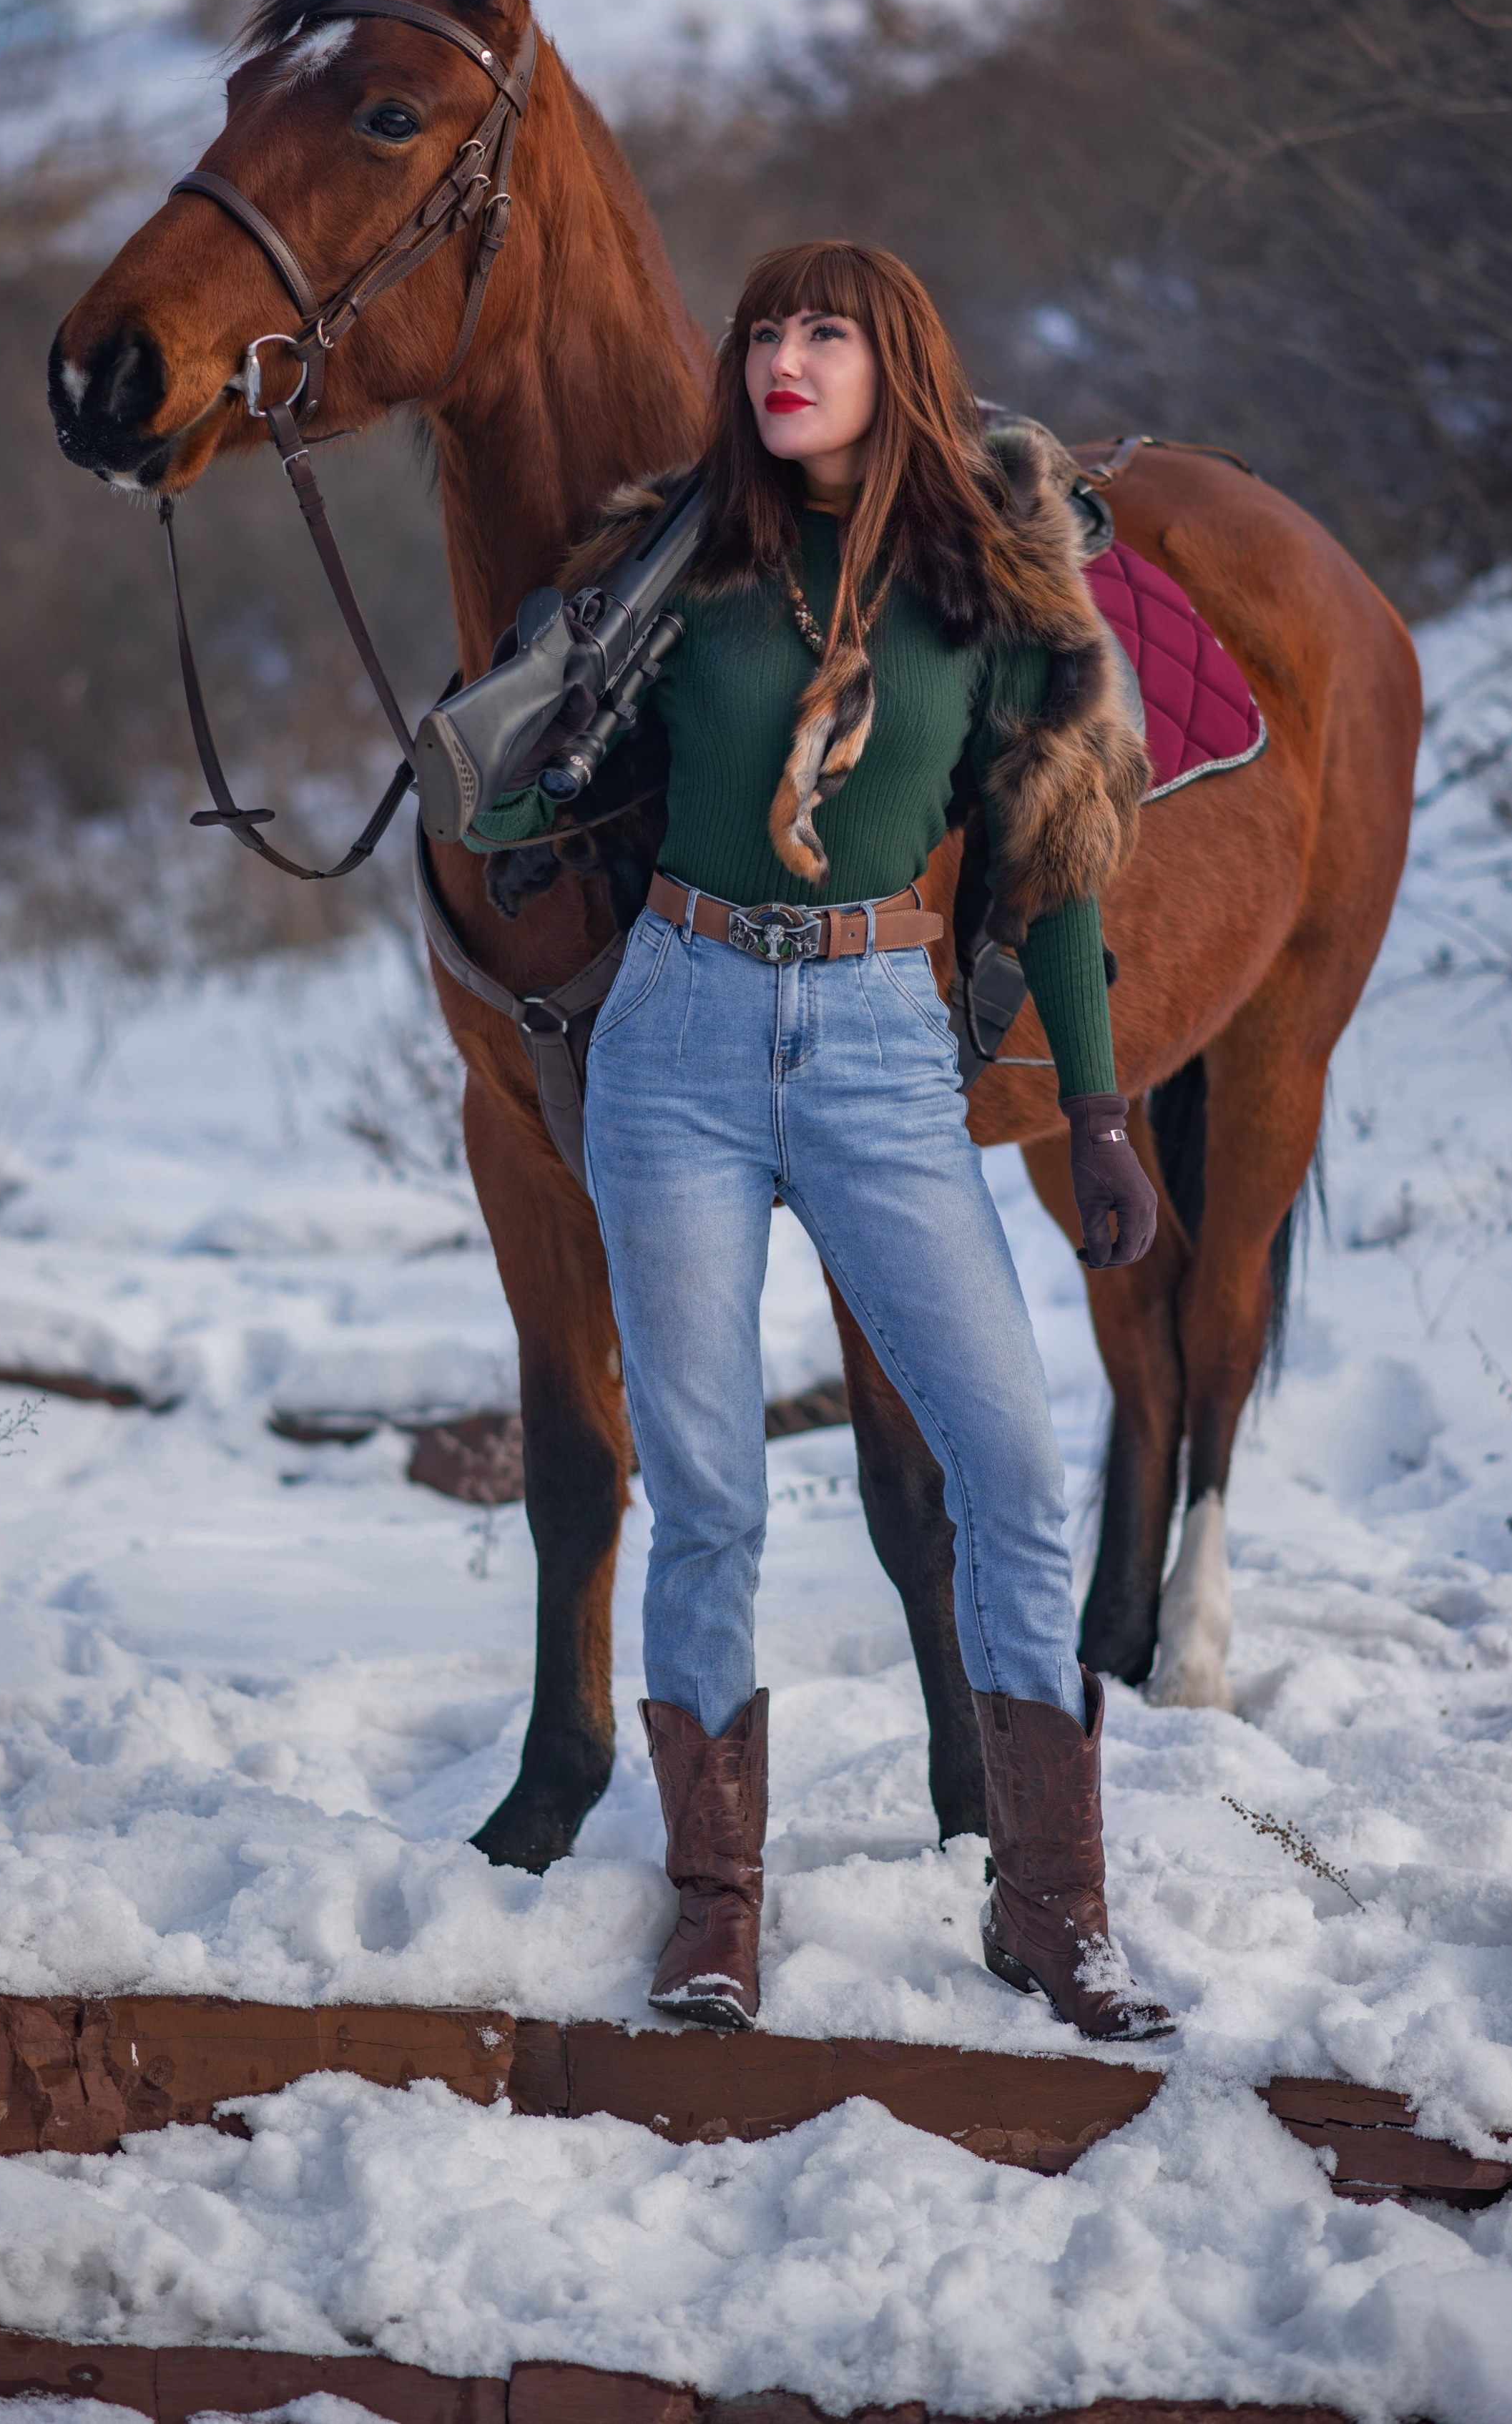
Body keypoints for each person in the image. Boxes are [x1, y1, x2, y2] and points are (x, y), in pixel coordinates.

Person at [467, 241, 1170, 2044]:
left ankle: (1051, 1910)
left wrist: (1094, 1109)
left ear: (896, 363)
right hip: (680, 1035)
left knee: (1014, 1472)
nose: (783, 358)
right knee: (707, 1494)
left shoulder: (988, 589)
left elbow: (1053, 868)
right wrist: (532, 761)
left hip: (877, 1048)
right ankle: (713, 1910)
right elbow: (546, 779)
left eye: (823, 333)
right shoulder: (672, 563)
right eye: (762, 330)